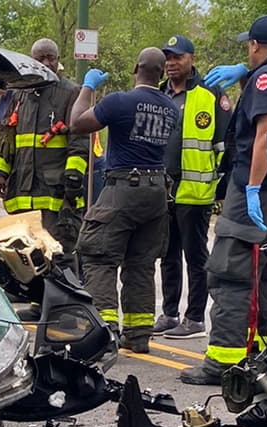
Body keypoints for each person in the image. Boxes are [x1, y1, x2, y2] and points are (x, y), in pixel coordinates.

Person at [176, 15, 267, 384]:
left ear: (255, 45)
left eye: (248, 47)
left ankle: (224, 361)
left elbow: (266, 136)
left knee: (230, 272)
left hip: (256, 190)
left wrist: (252, 187)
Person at [68, 48, 179, 353]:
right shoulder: (171, 109)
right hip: (157, 191)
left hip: (123, 187)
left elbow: (77, 123)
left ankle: (104, 333)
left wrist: (88, 86)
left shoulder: (119, 101)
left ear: (135, 68)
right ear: (160, 74)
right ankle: (139, 335)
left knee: (99, 257)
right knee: (141, 264)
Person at [154, 34, 232, 340]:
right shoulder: (160, 93)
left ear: (192, 59)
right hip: (164, 191)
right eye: (168, 58)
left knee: (196, 257)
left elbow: (225, 145)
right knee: (167, 255)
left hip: (196, 193)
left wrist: (222, 188)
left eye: (178, 57)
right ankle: (170, 314)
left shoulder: (210, 94)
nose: (172, 64)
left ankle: (195, 318)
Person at [0, 38, 90, 274]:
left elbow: (79, 142)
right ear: (31, 60)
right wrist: (0, 173)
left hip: (55, 193)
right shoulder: (19, 95)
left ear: (58, 60)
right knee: (27, 253)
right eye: (40, 58)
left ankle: (65, 305)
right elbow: (7, 139)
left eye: (51, 58)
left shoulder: (70, 93)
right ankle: (38, 304)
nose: (46, 63)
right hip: (23, 190)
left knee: (59, 252)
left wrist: (73, 184)